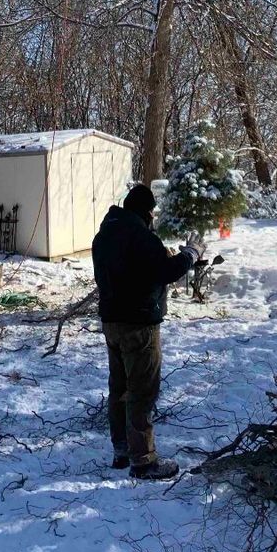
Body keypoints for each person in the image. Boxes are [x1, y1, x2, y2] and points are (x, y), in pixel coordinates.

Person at [91, 182, 203, 479]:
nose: (153, 216)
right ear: (146, 211)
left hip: (111, 321)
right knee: (141, 391)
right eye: (151, 211)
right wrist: (190, 254)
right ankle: (143, 461)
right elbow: (164, 272)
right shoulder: (140, 236)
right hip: (139, 324)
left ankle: (122, 450)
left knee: (119, 387)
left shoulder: (103, 235)